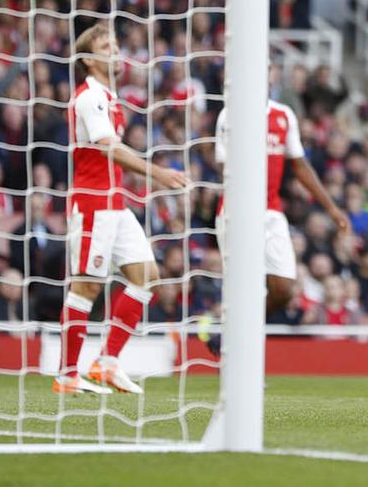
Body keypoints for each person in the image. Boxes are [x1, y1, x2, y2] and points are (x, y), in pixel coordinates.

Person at [55, 21, 188, 395]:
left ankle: (107, 362)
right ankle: (67, 375)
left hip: (115, 202)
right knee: (87, 288)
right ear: (88, 59)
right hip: (93, 203)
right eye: (106, 47)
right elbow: (108, 148)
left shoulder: (110, 97)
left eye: (115, 44)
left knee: (146, 274)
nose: (115, 51)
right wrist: (157, 173)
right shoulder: (90, 97)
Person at [209, 96, 350, 353]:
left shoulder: (283, 115)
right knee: (243, 285)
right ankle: (234, 359)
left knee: (284, 289)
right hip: (236, 212)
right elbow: (223, 167)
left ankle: (227, 336)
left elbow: (299, 164)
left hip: (271, 212)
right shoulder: (231, 114)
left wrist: (331, 207)